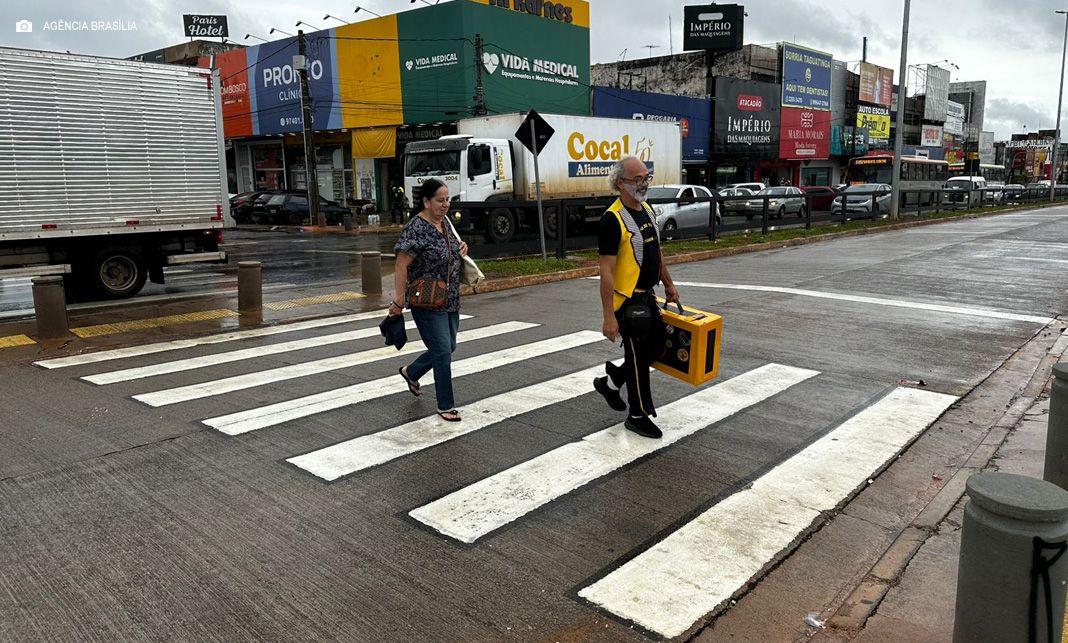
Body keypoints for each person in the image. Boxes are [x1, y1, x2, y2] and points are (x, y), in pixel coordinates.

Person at [594, 155, 680, 439]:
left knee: (657, 348)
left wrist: (668, 284)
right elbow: (606, 271)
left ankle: (612, 381)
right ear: (620, 183)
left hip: (647, 297)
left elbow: (657, 253)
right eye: (638, 179)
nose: (644, 184)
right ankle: (637, 415)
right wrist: (608, 316)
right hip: (627, 302)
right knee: (639, 355)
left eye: (647, 178)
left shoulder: (647, 210)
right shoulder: (612, 220)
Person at [389, 178, 468, 422]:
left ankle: (411, 372)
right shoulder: (415, 228)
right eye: (440, 200)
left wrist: (461, 247)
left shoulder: (445, 223)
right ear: (426, 201)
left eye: (448, 200)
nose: (445, 205)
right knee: (443, 350)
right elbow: (401, 266)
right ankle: (445, 405)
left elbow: (452, 250)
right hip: (426, 299)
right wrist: (399, 301)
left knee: (448, 346)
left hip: (450, 297)